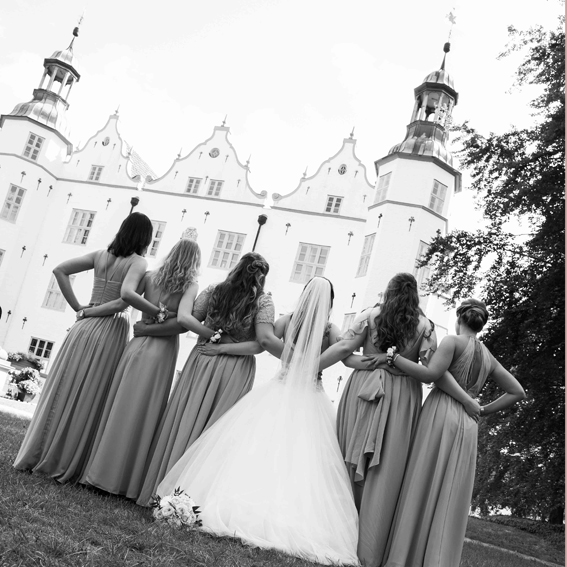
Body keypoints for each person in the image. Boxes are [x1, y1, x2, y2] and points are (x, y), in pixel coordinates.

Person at [155, 277, 359, 565]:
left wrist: (290, 359)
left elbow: (263, 341)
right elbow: (342, 350)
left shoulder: (287, 321)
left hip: (279, 387)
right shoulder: (330, 329)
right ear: (331, 302)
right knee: (304, 458)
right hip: (311, 395)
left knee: (257, 448)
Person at [382, 298, 526, 567]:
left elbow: (431, 375)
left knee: (423, 479)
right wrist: (482, 409)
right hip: (468, 423)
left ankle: (406, 556)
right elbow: (517, 391)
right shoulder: (488, 357)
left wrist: (396, 358)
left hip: (440, 413)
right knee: (450, 489)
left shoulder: (451, 342)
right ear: (480, 325)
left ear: (460, 318)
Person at [14, 212, 154, 483]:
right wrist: (87, 312)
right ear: (146, 238)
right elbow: (122, 302)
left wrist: (79, 307)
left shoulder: (100, 254)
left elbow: (59, 270)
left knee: (63, 388)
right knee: (91, 393)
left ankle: (37, 452)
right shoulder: (138, 262)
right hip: (109, 328)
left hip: (81, 329)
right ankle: (66, 460)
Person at [136, 251, 282, 506]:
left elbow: (188, 319)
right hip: (234, 368)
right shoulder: (263, 302)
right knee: (216, 432)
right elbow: (259, 346)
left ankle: (165, 490)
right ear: (262, 276)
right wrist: (224, 344)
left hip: (202, 359)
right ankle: (193, 499)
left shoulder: (214, 291)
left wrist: (211, 337)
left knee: (185, 419)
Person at [318, 273, 438, 567]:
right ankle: (369, 552)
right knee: (387, 470)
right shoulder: (425, 327)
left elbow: (345, 352)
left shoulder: (369, 316)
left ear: (388, 291)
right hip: (402, 397)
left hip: (363, 388)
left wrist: (310, 366)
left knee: (347, 455)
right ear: (415, 296)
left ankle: (334, 536)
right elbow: (431, 368)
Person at [81, 238, 205, 499]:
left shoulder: (148, 277)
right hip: (162, 351)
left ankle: (98, 471)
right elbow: (182, 325)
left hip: (136, 343)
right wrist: (164, 320)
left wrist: (146, 326)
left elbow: (125, 301)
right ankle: (124, 480)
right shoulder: (190, 286)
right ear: (195, 261)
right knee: (143, 413)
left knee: (119, 405)